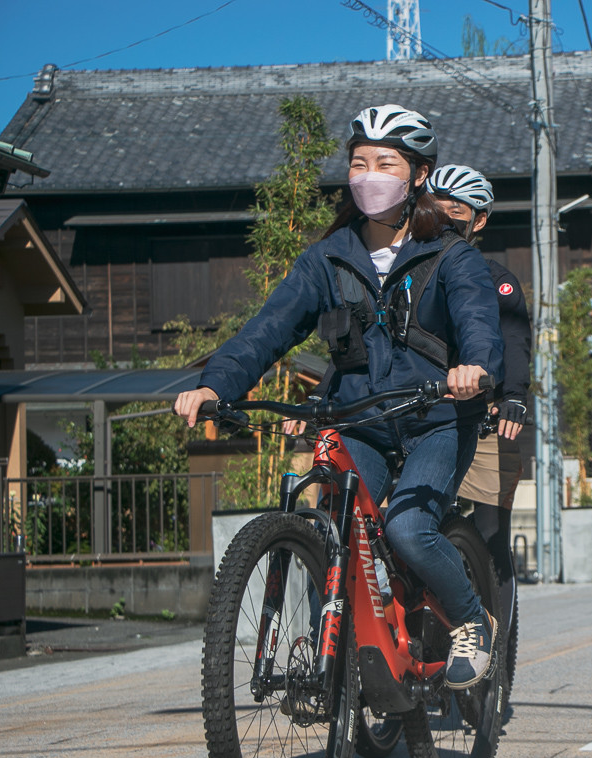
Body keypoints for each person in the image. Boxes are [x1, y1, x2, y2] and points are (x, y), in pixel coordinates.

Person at [173, 104, 505, 689]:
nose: (369, 174)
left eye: (386, 162)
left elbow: (478, 321)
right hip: (360, 419)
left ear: (418, 174)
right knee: (335, 530)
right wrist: (215, 384)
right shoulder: (326, 259)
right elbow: (267, 329)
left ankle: (472, 620)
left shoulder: (452, 255)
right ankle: (341, 654)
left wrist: (473, 368)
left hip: (434, 417)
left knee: (406, 529)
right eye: (359, 162)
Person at [428, 163, 531, 667]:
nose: (445, 215)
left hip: (488, 416)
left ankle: (499, 650)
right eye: (436, 205)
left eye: (458, 209)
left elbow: (511, 339)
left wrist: (512, 394)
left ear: (479, 221)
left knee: (491, 538)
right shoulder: (405, 271)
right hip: (420, 418)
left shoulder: (496, 280)